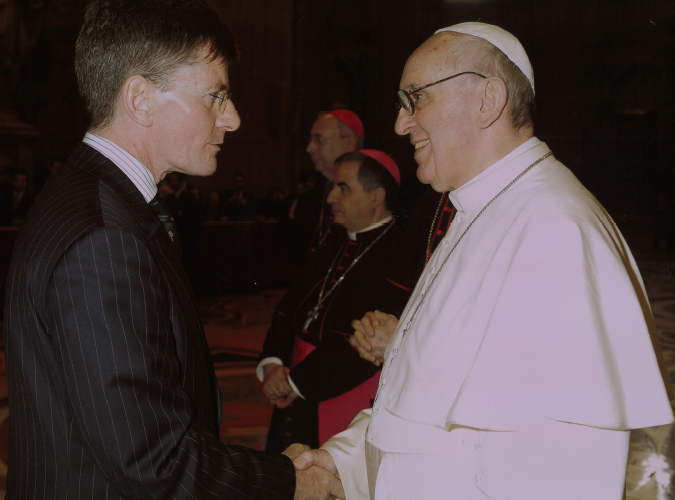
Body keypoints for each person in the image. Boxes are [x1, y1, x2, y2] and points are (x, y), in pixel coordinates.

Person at [294, 22, 674, 499]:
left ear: (487, 100)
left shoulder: (553, 231)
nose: (400, 123)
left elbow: (567, 470)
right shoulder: (480, 211)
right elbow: (425, 403)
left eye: (416, 98)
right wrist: (340, 462)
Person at [3, 1, 342, 498]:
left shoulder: (96, 198)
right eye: (216, 96)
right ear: (141, 98)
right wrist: (288, 482)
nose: (234, 118)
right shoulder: (102, 239)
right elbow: (150, 461)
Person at [258, 150, 415, 453]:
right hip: (293, 384)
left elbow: (363, 343)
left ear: (376, 196)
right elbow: (287, 308)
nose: (331, 197)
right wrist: (272, 363)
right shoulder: (334, 242)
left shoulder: (400, 255)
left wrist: (294, 383)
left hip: (340, 394)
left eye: (343, 187)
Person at [291, 110, 364, 265]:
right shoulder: (307, 201)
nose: (309, 148)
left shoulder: (372, 197)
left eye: (319, 140)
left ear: (347, 143)